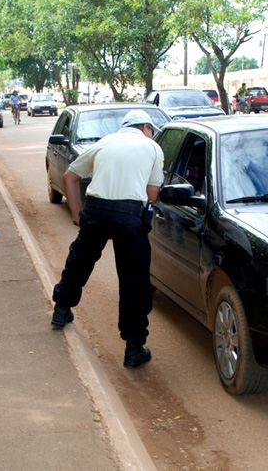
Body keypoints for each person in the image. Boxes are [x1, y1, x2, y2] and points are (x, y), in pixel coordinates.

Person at [50, 109, 164, 369]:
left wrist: (78, 214)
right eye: (151, 130)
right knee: (133, 280)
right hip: (130, 216)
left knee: (79, 261)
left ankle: (61, 310)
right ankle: (134, 347)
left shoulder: (104, 142)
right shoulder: (152, 147)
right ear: (145, 127)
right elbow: (153, 195)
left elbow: (70, 176)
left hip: (96, 210)